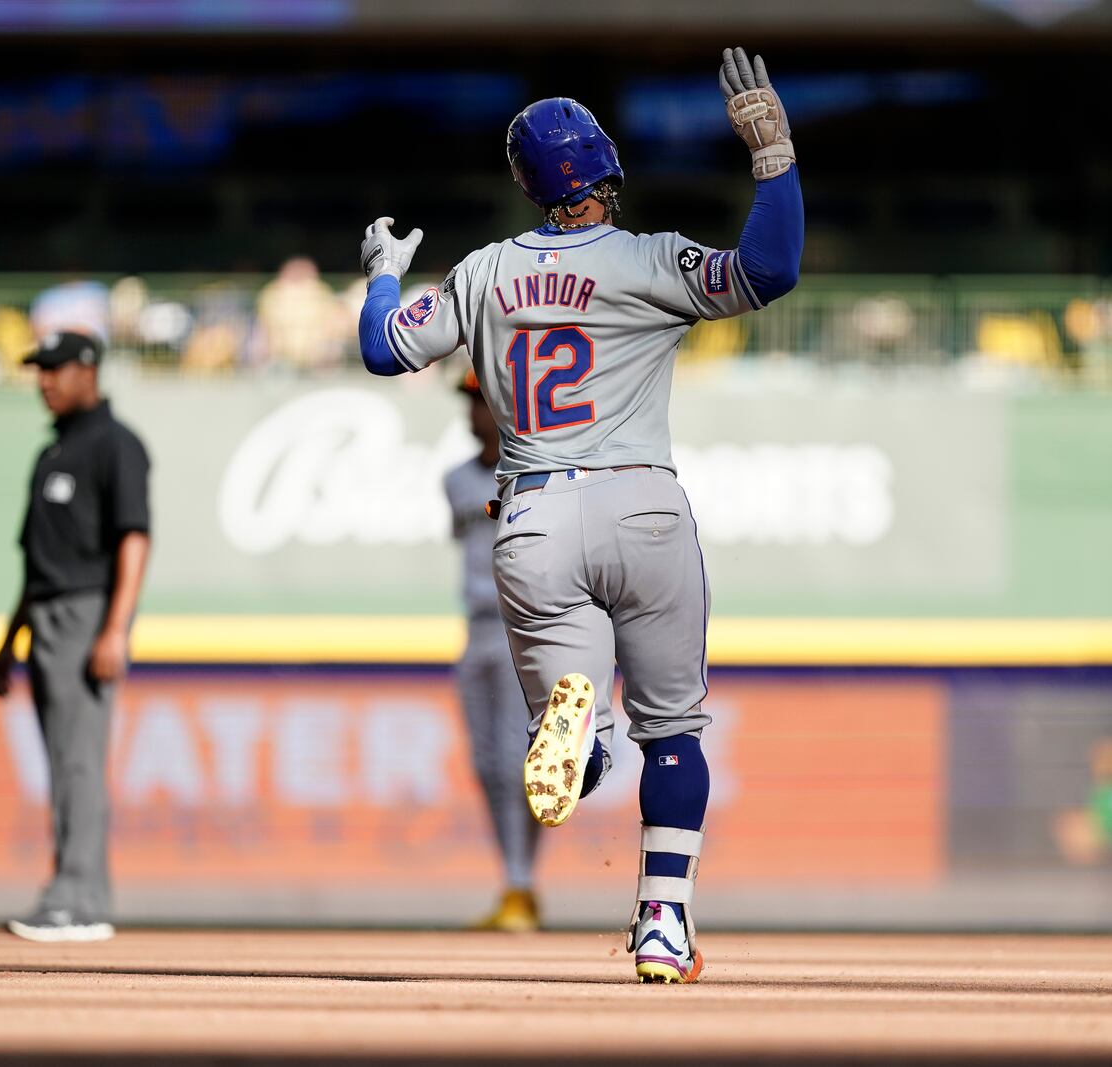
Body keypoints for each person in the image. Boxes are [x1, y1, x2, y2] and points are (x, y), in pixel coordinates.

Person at [355, 48, 803, 983]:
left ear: (529, 187)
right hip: (642, 504)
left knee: (573, 747)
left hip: (532, 520)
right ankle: (662, 925)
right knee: (675, 730)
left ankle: (579, 735)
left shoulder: (482, 273)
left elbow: (384, 352)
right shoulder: (647, 258)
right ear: (605, 171)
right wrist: (774, 162)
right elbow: (771, 267)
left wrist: (385, 275)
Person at [0, 330, 152, 943]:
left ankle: (75, 898)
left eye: (55, 369)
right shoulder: (52, 453)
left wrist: (115, 628)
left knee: (78, 763)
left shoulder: (116, 445)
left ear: (89, 371)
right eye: (38, 370)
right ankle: (83, 895)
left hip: (87, 613)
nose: (44, 381)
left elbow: (135, 538)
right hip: (46, 616)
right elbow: (35, 563)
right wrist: (9, 642)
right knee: (63, 763)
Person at [445, 368, 543, 931]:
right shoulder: (456, 479)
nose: (473, 412)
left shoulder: (528, 470)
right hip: (477, 624)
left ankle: (519, 884)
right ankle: (514, 881)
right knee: (486, 763)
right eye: (469, 401)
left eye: (481, 401)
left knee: (515, 761)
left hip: (521, 624)